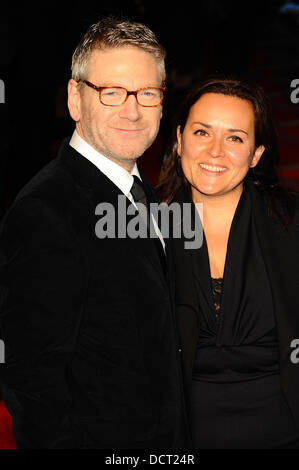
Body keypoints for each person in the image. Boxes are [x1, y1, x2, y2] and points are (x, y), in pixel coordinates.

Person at [0, 17, 187, 449]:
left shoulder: (143, 191)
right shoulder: (46, 212)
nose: (132, 109)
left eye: (147, 93)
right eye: (112, 92)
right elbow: (34, 387)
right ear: (75, 98)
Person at [158, 77, 299, 449]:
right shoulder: (142, 232)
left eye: (235, 137)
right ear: (179, 137)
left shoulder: (292, 225)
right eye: (202, 132)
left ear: (256, 154)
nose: (215, 151)